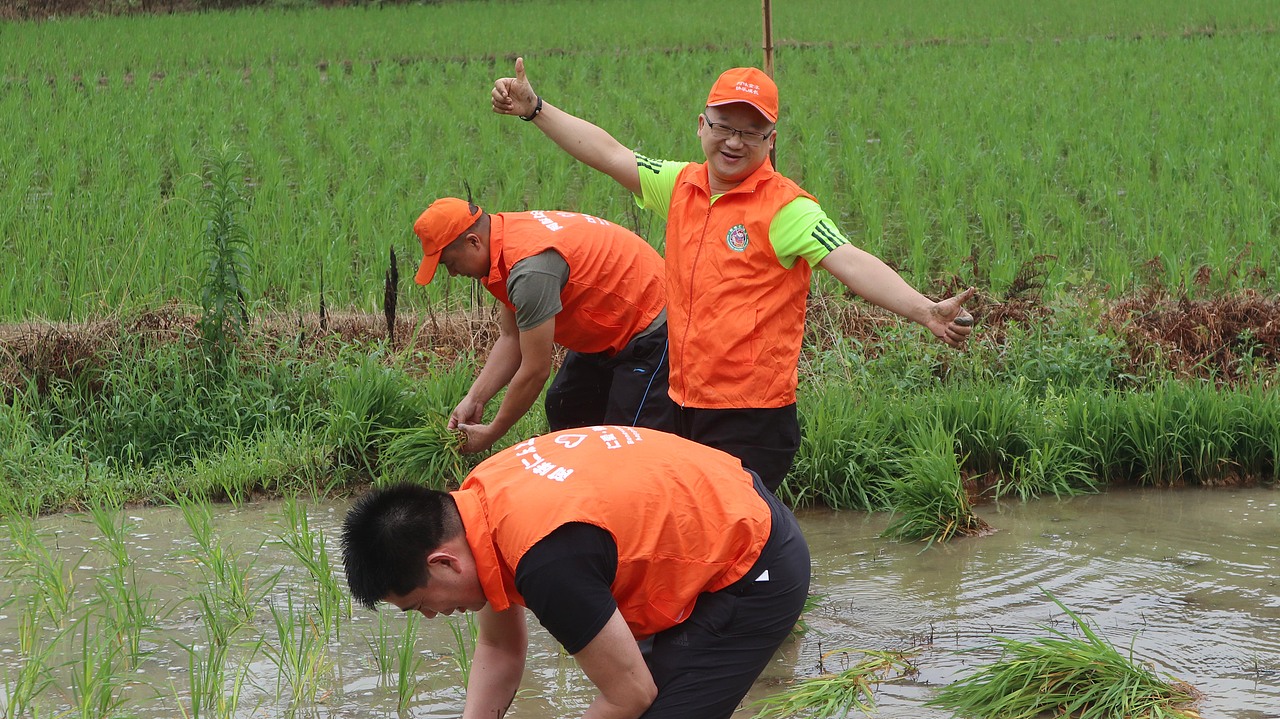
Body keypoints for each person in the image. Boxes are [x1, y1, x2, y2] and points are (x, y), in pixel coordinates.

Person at [491, 59, 977, 491]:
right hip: (682, 402)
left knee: (738, 542)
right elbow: (610, 153)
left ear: (771, 140)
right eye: (724, 126)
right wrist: (537, 110)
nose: (733, 142)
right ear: (702, 125)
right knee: (691, 533)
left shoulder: (787, 210)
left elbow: (849, 260)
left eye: (751, 132)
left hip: (751, 416)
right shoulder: (681, 185)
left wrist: (923, 309)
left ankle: (783, 590)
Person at [342, 425, 810, 719]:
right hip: (717, 506)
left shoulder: (547, 560)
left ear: (443, 562)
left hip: (753, 559)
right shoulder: (477, 501)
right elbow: (500, 646)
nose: (430, 616)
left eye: (420, 604)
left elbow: (629, 695)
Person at [413, 197, 675, 453]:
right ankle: (580, 486)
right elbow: (511, 338)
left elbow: (535, 370)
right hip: (607, 318)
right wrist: (474, 398)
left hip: (651, 323)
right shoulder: (503, 243)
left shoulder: (529, 270)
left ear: (473, 242)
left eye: (449, 262)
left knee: (627, 442)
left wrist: (493, 431)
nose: (453, 273)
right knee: (566, 405)